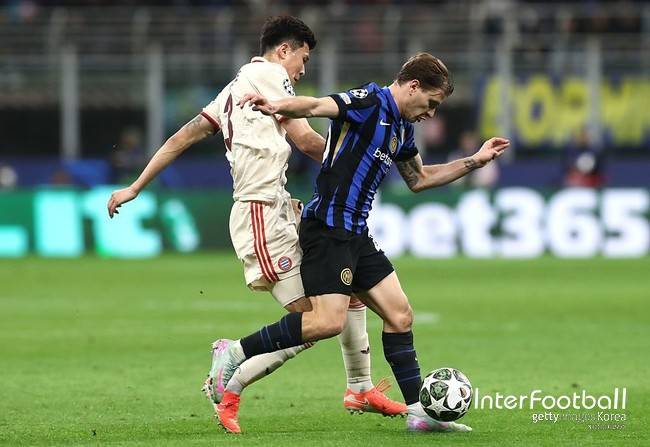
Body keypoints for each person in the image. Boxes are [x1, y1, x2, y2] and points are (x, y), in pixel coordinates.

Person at [106, 16, 405, 434]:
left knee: (346, 286)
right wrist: (362, 161)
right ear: (284, 50)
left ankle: (360, 387)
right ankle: (230, 376)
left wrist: (136, 186)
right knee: (314, 320)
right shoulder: (270, 76)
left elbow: (182, 137)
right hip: (260, 214)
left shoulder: (233, 87)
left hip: (280, 206)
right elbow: (306, 140)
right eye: (303, 58)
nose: (302, 70)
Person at [213, 52, 509, 433]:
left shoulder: (402, 129)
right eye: (431, 103)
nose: (431, 113)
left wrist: (473, 162)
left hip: (356, 234)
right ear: (413, 86)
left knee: (400, 315)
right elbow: (318, 105)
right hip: (328, 229)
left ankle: (420, 414)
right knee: (326, 322)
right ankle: (234, 351)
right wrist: (277, 105)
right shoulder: (369, 101)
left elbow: (419, 179)